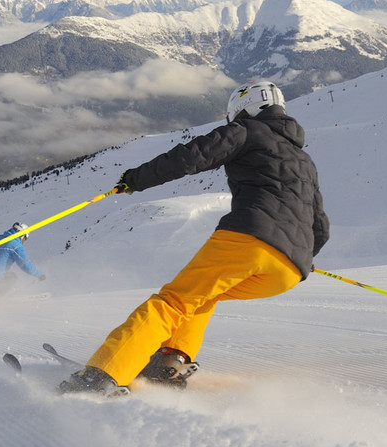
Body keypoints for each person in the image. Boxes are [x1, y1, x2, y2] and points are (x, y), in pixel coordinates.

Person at [59, 80, 329, 395]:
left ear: (244, 107)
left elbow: (190, 157)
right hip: (287, 271)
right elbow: (320, 227)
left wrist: (135, 179)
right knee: (204, 296)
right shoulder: (305, 162)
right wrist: (297, 252)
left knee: (171, 303)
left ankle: (100, 378)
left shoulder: (247, 132)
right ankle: (169, 363)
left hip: (248, 240)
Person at [0, 222, 46, 288]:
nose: (24, 241)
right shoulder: (15, 245)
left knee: (8, 275)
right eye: (25, 239)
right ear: (23, 236)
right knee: (12, 277)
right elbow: (25, 264)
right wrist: (39, 274)